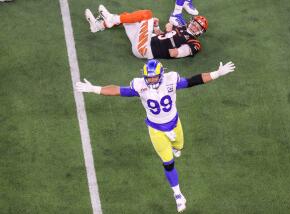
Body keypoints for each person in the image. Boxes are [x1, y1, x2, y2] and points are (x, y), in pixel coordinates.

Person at [76, 59, 236, 212]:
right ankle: (178, 194)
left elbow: (193, 81)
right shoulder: (140, 86)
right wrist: (95, 89)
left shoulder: (170, 80)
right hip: (156, 129)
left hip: (175, 124)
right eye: (148, 78)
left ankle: (175, 146)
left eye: (153, 77)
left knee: (179, 147)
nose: (151, 81)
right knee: (168, 163)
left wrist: (217, 73)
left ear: (161, 75)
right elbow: (118, 90)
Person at [85, 5, 208, 59]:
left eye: (198, 27)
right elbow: (162, 37)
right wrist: (156, 27)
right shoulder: (181, 28)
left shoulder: (194, 43)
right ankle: (98, 25)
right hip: (146, 41)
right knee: (129, 17)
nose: (195, 27)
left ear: (200, 32)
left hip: (145, 49)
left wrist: (170, 35)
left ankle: (112, 19)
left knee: (147, 14)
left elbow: (173, 53)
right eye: (195, 24)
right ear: (191, 21)